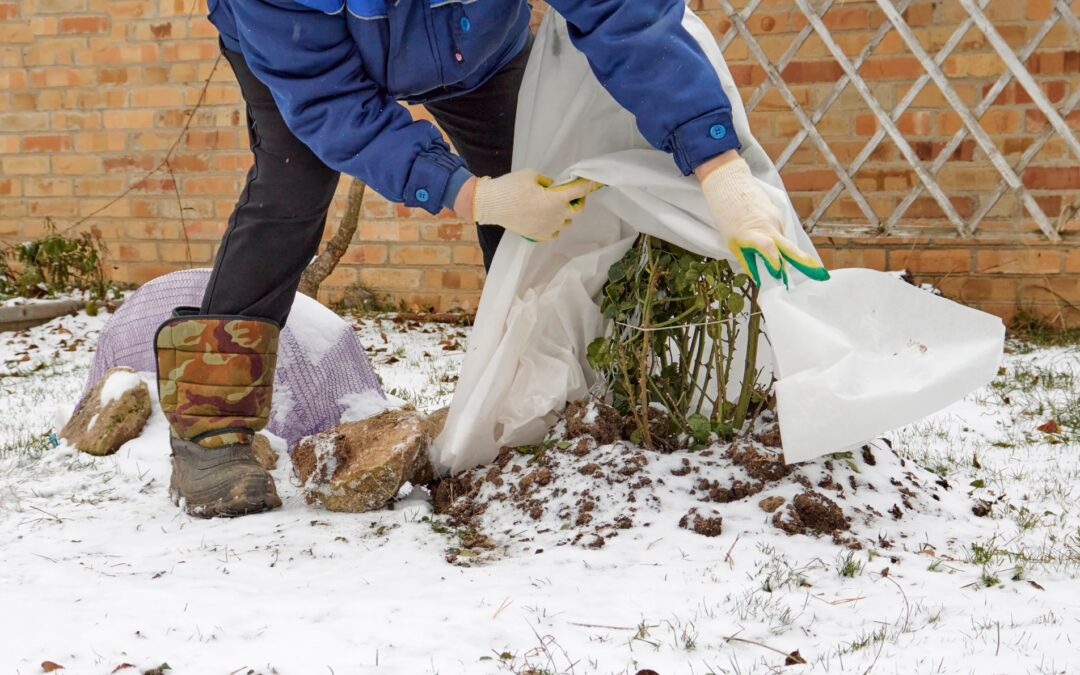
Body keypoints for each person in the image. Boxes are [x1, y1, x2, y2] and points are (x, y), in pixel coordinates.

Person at [155, 0, 830, 518]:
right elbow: (332, 105)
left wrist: (717, 162)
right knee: (289, 193)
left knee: (531, 184)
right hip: (307, 61)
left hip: (470, 46)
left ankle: (525, 396)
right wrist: (470, 195)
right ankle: (209, 428)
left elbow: (625, 14)